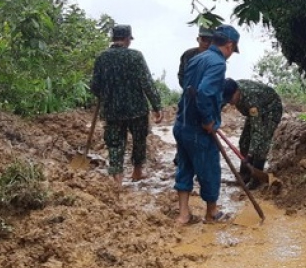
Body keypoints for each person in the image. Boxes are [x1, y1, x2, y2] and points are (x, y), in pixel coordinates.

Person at [173, 25, 240, 226]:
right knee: (210, 170)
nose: (230, 55)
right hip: (198, 128)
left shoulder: (196, 58)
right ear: (229, 45)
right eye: (232, 50)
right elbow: (204, 92)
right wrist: (208, 120)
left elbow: (188, 88)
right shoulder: (218, 63)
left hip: (182, 123)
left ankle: (183, 214)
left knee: (184, 168)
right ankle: (211, 213)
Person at [90, 24, 163, 186]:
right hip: (136, 110)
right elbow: (147, 83)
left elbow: (95, 86)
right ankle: (137, 172)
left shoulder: (102, 58)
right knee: (139, 139)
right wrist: (157, 106)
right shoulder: (135, 56)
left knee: (114, 143)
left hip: (112, 110)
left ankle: (117, 178)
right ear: (127, 39)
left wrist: (105, 95)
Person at [222, 78, 283, 190]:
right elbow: (220, 102)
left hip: (271, 109)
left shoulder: (251, 100)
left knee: (261, 143)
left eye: (230, 99)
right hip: (258, 110)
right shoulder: (229, 89)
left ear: (237, 92)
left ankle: (256, 180)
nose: (229, 102)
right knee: (244, 141)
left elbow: (257, 130)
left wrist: (249, 155)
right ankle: (245, 174)